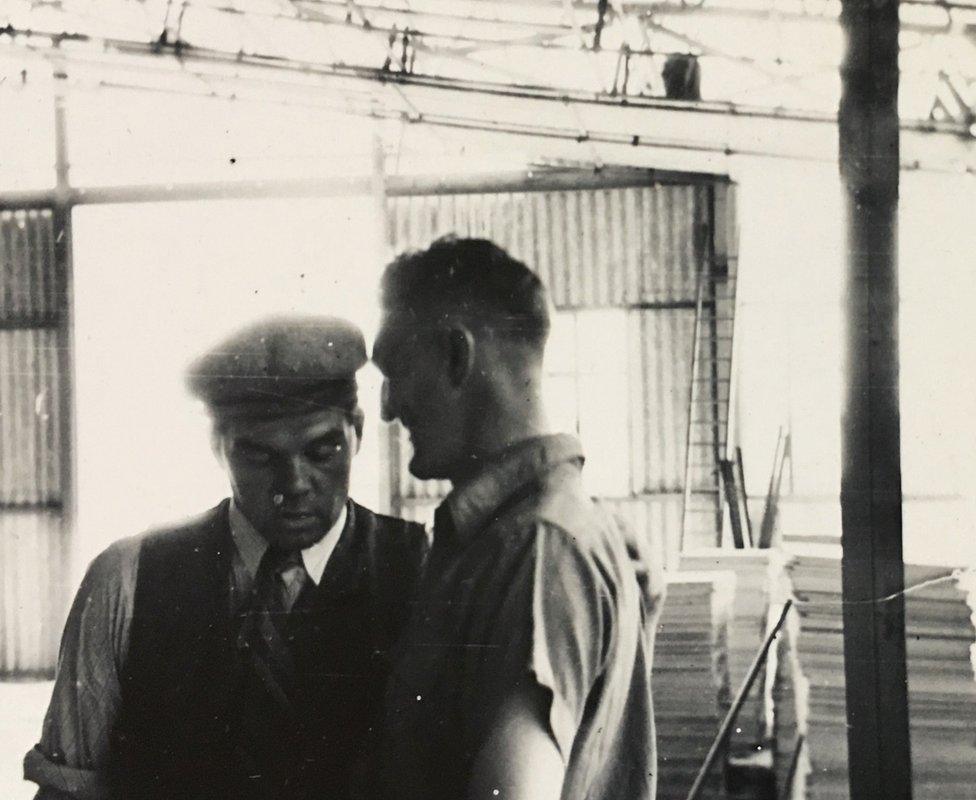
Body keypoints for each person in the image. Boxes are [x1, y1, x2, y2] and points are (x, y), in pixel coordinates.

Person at [24, 316, 428, 800]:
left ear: (357, 432)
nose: (295, 484)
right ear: (218, 448)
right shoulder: (126, 581)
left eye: (323, 450)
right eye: (259, 456)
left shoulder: (426, 571)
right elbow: (66, 791)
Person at [372, 237, 664, 800]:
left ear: (457, 357)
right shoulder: (534, 534)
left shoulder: (534, 549)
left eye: (398, 369)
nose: (387, 406)